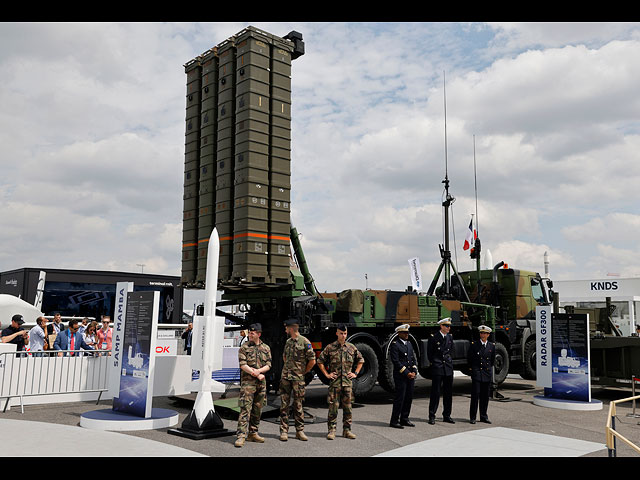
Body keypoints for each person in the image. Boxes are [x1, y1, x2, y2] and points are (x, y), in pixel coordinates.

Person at [317, 324, 364, 440]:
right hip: (335, 383)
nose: (343, 336)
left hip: (347, 383)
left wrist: (355, 373)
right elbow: (320, 361)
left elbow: (361, 360)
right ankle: (331, 430)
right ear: (337, 333)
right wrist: (327, 374)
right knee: (333, 408)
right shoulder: (330, 347)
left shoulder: (352, 348)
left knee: (348, 408)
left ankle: (347, 430)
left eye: (345, 333)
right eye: (341, 333)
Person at [234, 323, 272, 448]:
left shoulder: (266, 348)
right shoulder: (244, 347)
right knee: (245, 409)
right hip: (248, 384)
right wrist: (255, 373)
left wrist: (259, 372)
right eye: (249, 332)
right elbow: (243, 365)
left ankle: (253, 433)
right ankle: (241, 436)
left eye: (253, 333)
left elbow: (268, 364)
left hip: (261, 383)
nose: (250, 335)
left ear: (259, 334)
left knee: (257, 409)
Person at [278, 318, 316, 442]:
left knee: (298, 405)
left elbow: (312, 361)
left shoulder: (305, 342)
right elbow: (284, 356)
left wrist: (303, 372)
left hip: (298, 379)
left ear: (291, 328)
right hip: (286, 377)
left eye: (286, 328)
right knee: (284, 405)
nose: (285, 330)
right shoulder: (288, 342)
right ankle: (284, 431)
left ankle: (299, 431)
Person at [389, 324, 418, 429]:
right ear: (399, 333)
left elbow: (413, 359)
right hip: (401, 376)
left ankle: (405, 418)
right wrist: (407, 373)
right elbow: (396, 362)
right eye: (404, 333)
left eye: (407, 332)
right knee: (400, 398)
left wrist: (414, 371)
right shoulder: (395, 345)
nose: (407, 334)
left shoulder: (409, 344)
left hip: (410, 375)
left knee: (408, 397)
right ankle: (394, 420)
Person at [427, 317, 455, 424]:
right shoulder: (434, 338)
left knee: (448, 393)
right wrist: (435, 364)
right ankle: (432, 415)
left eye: (449, 326)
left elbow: (451, 351)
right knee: (436, 392)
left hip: (447, 368)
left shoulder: (450, 338)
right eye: (447, 326)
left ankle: (447, 415)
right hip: (438, 367)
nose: (449, 328)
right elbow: (430, 354)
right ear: (441, 326)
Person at [468, 325, 496, 424]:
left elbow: (492, 361)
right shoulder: (474, 345)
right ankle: (473, 417)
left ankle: (484, 416)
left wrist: (487, 371)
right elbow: (470, 359)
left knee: (485, 396)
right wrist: (473, 371)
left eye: (485, 333)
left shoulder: (491, 346)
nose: (483, 335)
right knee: (475, 396)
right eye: (481, 333)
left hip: (486, 373)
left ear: (488, 335)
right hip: (477, 373)